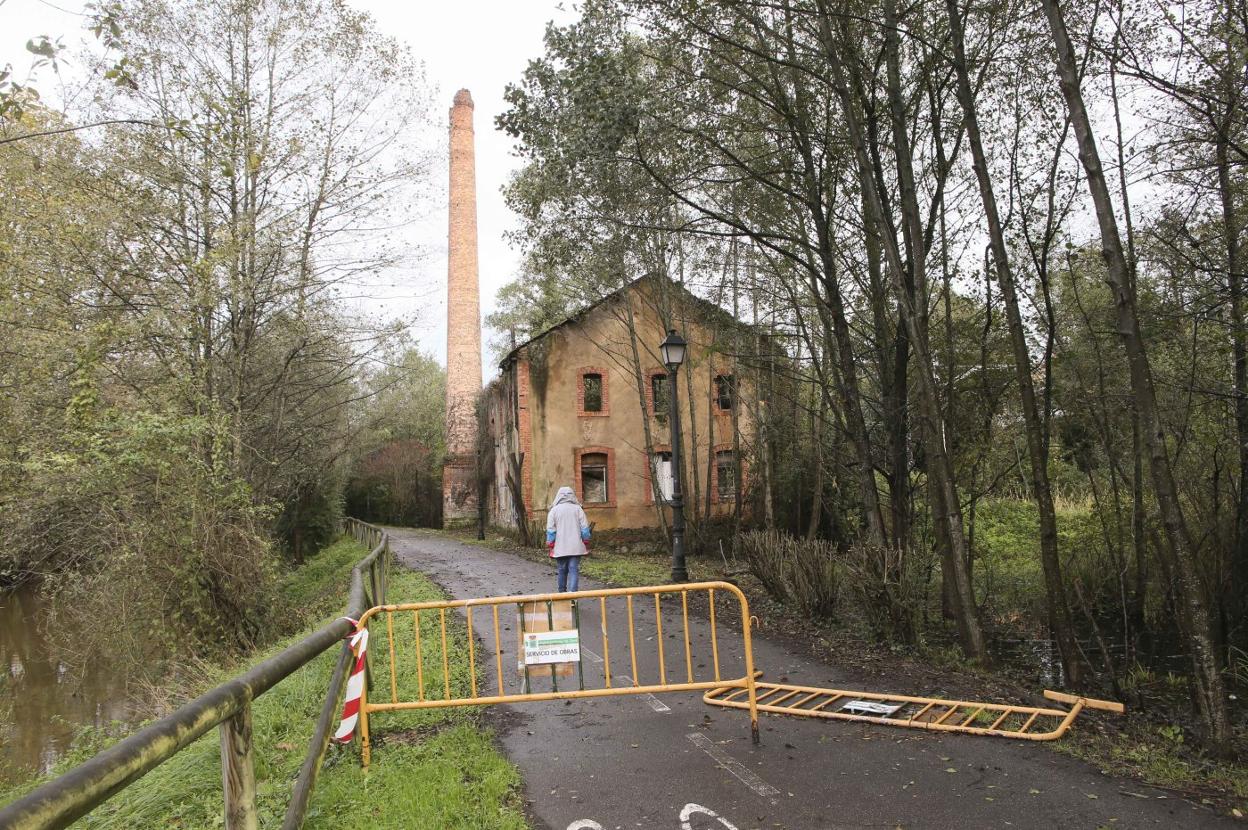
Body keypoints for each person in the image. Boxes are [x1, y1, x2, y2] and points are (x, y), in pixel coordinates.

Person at [546, 486, 591, 592]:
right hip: (576, 546)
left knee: (562, 570)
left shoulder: (554, 510)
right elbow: (585, 529)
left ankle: (562, 593)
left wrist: (550, 543)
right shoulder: (578, 509)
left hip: (560, 547)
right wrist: (586, 540)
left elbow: (551, 530)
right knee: (574, 569)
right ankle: (573, 595)